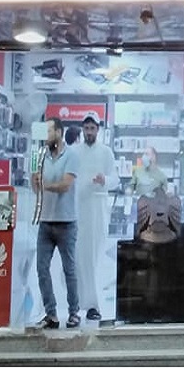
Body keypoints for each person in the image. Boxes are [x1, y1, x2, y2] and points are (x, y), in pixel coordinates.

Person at [32, 116, 82, 330]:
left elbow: (65, 185)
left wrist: (45, 185)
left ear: (59, 133)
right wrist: (36, 181)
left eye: (49, 131)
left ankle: (74, 312)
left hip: (66, 222)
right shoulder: (39, 156)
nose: (46, 136)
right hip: (45, 222)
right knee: (42, 269)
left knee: (69, 269)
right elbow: (35, 188)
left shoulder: (71, 155)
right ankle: (51, 314)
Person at [71, 110, 119, 322]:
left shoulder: (106, 152)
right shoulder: (74, 152)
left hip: (98, 208)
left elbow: (115, 179)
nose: (89, 132)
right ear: (82, 129)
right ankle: (78, 303)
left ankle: (94, 304)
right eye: (86, 128)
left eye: (92, 128)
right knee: (79, 257)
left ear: (98, 130)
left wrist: (104, 181)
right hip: (79, 208)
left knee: (96, 257)